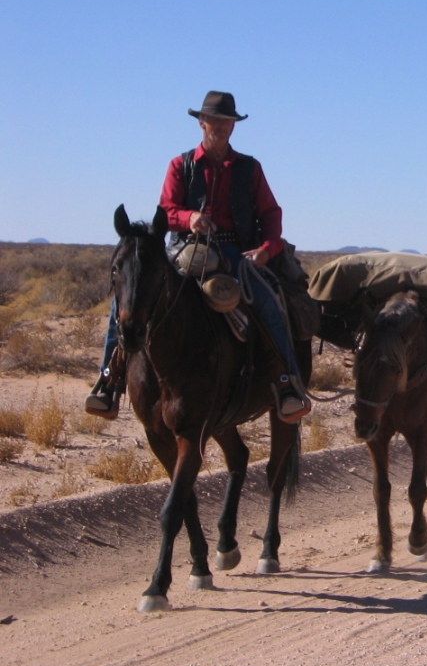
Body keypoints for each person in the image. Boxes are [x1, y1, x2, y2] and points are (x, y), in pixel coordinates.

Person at [85, 91, 311, 422]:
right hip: (185, 248)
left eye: (226, 121)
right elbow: (167, 210)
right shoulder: (181, 164)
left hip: (236, 251)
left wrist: (266, 249)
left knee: (268, 300)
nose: (220, 126)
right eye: (214, 120)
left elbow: (270, 212)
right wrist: (188, 218)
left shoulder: (250, 168)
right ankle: (109, 380)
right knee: (127, 299)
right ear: (201, 123)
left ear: (233, 126)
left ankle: (286, 381)